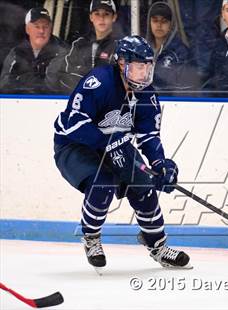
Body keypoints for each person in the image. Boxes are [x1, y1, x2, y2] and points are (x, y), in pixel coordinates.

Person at [53, 35, 191, 271]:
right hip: (76, 146)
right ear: (121, 63)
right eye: (139, 67)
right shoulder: (99, 82)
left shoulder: (147, 94)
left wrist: (160, 164)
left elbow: (148, 135)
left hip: (116, 144)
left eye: (148, 67)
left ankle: (157, 246)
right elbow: (72, 122)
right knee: (102, 183)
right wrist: (105, 140)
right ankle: (91, 236)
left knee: (144, 186)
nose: (144, 73)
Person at [47, 0, 121, 92]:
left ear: (114, 17)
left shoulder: (121, 46)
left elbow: (118, 81)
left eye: (106, 14)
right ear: (91, 17)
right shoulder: (79, 44)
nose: (101, 18)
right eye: (97, 14)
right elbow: (64, 75)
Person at [0, 7, 67, 94]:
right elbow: (4, 85)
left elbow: (56, 86)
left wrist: (22, 80)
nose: (41, 31)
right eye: (37, 26)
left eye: (45, 26)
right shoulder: (16, 52)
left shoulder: (63, 52)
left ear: (51, 28)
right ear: (27, 29)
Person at [145, 1, 191, 94]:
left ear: (171, 24)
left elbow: (184, 89)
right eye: (155, 20)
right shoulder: (142, 51)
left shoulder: (180, 53)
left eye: (164, 21)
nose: (159, 25)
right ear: (149, 23)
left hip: (170, 104)